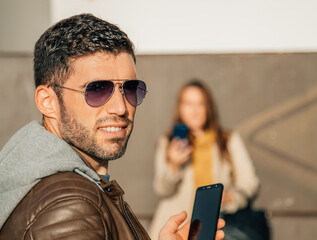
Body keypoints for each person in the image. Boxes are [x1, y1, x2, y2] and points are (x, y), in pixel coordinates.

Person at [0, 14, 225, 239]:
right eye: (97, 89)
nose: (120, 107)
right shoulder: (70, 206)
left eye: (130, 89)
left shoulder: (59, 188)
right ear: (48, 102)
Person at [149, 80, 260, 239]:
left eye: (200, 104)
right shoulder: (168, 141)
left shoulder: (228, 140)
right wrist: (173, 165)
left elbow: (250, 183)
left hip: (216, 227)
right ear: (179, 108)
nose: (194, 110)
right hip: (177, 228)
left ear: (208, 107)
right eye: (188, 103)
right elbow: (162, 190)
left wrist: (230, 198)